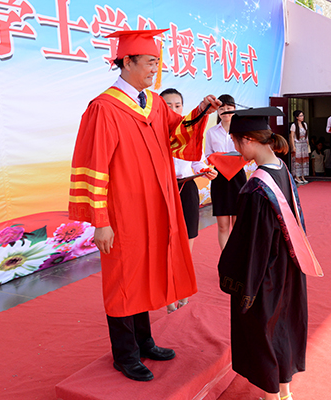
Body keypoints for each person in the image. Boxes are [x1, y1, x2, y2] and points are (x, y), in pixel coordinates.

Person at [68, 29, 222, 382]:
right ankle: (125, 354)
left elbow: (178, 138)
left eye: (157, 61)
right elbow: (94, 165)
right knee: (123, 278)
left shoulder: (153, 103)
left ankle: (144, 341)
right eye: (150, 62)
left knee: (144, 274)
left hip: (154, 208)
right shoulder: (104, 108)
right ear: (127, 61)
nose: (156, 68)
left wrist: (201, 111)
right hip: (122, 212)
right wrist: (101, 221)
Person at [217, 107, 322, 400]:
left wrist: (235, 275)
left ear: (249, 140)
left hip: (266, 272)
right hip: (289, 266)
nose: (236, 148)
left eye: (236, 142)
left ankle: (271, 397)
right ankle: (285, 393)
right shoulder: (282, 169)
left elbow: (250, 245)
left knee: (263, 329)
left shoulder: (256, 188)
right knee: (283, 326)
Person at [160, 88, 218, 313]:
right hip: (163, 192)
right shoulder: (154, 132)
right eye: (168, 105)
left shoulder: (190, 131)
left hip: (187, 190)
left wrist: (205, 170)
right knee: (166, 247)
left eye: (177, 105)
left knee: (187, 244)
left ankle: (182, 293)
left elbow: (197, 162)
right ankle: (168, 297)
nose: (174, 109)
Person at [204, 94, 247, 250]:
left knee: (237, 224)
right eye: (222, 109)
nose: (226, 112)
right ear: (217, 111)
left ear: (235, 110)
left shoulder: (242, 131)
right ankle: (226, 259)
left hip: (238, 178)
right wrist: (220, 159)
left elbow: (248, 153)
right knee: (223, 226)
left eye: (229, 108)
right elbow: (208, 156)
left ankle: (237, 258)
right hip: (219, 179)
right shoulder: (211, 132)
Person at [289, 110, 310, 184]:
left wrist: (308, 144)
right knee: (297, 160)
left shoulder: (305, 124)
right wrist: (293, 146)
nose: (302, 117)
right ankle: (297, 176)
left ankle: (303, 176)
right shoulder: (293, 125)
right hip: (297, 144)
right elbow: (292, 136)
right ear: (297, 117)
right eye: (300, 116)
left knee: (304, 160)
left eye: (302, 115)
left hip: (304, 144)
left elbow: (306, 135)